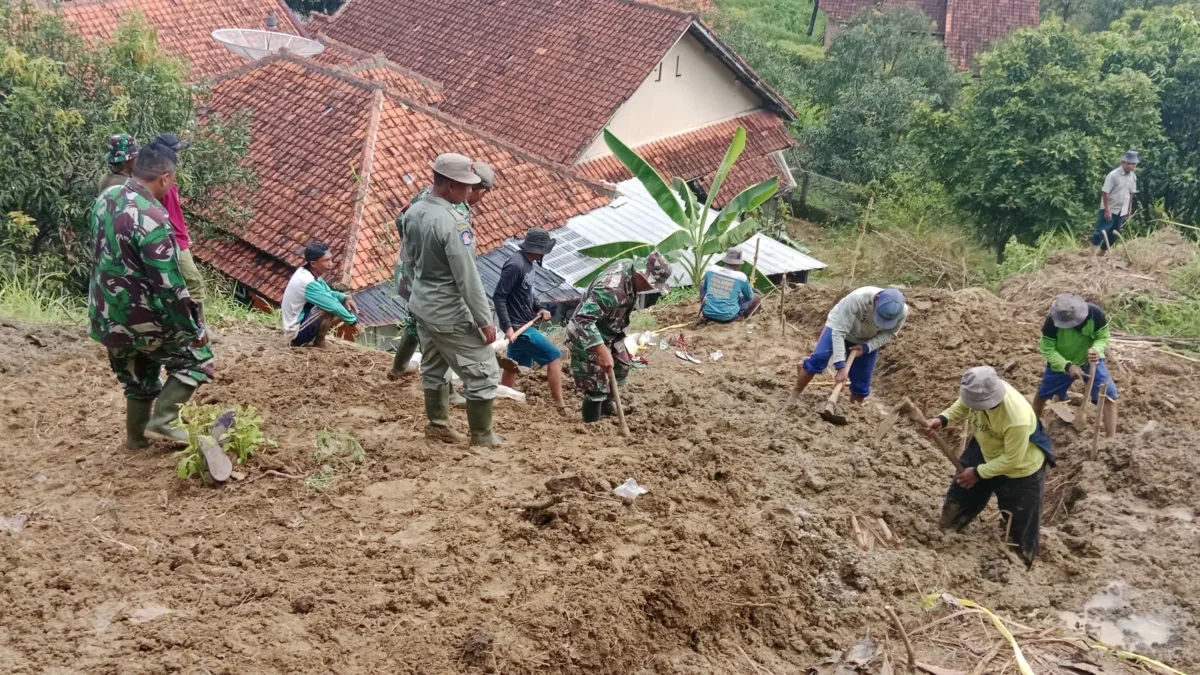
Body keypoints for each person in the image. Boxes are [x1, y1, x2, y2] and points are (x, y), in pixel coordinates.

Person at [88, 144, 214, 448]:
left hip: (105, 315)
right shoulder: (153, 216)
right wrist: (194, 329)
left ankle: (136, 439)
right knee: (197, 360)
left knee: (138, 378)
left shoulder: (105, 199)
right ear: (165, 178)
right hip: (144, 318)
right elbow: (169, 285)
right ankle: (164, 420)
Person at [403, 153, 503, 446]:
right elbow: (467, 278)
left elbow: (409, 262)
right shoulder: (453, 223)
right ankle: (482, 436)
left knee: (434, 366)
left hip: (422, 304)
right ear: (449, 186)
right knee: (483, 372)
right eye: (467, 186)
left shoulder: (414, 212)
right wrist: (485, 321)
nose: (471, 192)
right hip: (448, 310)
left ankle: (437, 425)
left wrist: (419, 294)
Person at [925, 366, 1055, 568]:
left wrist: (978, 472)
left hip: (1020, 466)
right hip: (987, 445)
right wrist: (943, 419)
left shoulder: (1016, 417)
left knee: (1021, 530)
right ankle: (947, 531)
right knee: (960, 496)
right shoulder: (978, 392)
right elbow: (964, 404)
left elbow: (1012, 459)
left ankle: (1019, 565)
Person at [389, 161, 496, 380]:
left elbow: (401, 220)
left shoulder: (428, 193)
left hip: (412, 266)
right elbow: (462, 268)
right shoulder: (455, 209)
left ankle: (400, 368)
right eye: (480, 194)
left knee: (419, 320)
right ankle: (402, 370)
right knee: (433, 327)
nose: (478, 199)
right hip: (429, 276)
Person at [565, 253, 672, 423]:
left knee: (621, 367)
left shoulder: (630, 268)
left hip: (610, 331)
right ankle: (591, 424)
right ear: (640, 274)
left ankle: (607, 406)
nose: (649, 288)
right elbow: (582, 320)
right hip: (585, 334)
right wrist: (600, 350)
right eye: (649, 284)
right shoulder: (611, 289)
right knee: (596, 384)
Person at [786, 286, 907, 406]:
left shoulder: (903, 311)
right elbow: (839, 332)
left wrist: (867, 347)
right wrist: (840, 366)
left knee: (862, 384)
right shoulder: (858, 298)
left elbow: (890, 333)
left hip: (867, 338)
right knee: (819, 358)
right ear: (877, 299)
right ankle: (794, 395)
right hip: (839, 326)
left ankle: (851, 412)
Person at [492, 227, 565, 410]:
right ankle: (560, 405)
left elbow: (528, 294)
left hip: (525, 322)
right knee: (554, 356)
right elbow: (499, 296)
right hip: (519, 327)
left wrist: (539, 308)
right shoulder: (515, 265)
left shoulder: (528, 264)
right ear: (538, 249)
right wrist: (508, 327)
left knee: (512, 366)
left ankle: (502, 400)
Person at [1032, 293, 1118, 437]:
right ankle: (1033, 428)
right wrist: (1067, 366)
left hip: (1091, 361)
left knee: (1108, 396)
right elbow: (1047, 349)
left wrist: (1096, 349)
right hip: (1061, 363)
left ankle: (1112, 440)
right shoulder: (1051, 323)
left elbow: (1102, 337)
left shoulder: (1095, 314)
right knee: (1042, 396)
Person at [146, 133, 206, 313]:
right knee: (194, 282)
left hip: (174, 237)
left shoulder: (157, 177)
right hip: (170, 239)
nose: (178, 155)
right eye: (175, 151)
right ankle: (198, 328)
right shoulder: (161, 182)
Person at [281, 242, 360, 348]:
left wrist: (345, 297)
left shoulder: (308, 273)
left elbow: (329, 293)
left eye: (331, 259)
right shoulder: (308, 282)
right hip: (295, 334)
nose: (331, 264)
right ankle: (319, 342)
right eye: (326, 260)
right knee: (329, 308)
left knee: (335, 303)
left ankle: (318, 339)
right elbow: (333, 305)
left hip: (300, 321)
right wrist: (354, 323)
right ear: (313, 263)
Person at [1091, 150, 1138, 253]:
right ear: (1123, 162)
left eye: (1133, 164)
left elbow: (1131, 194)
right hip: (1110, 208)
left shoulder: (1133, 177)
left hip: (1122, 210)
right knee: (1101, 232)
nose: (1130, 166)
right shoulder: (1113, 175)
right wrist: (1107, 210)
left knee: (1114, 234)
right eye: (1128, 163)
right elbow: (1105, 192)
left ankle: (1102, 252)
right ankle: (1091, 254)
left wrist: (1129, 210)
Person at [699, 247, 759, 323]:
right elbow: (749, 296)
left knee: (702, 283)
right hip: (728, 317)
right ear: (738, 264)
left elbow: (706, 287)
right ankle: (742, 317)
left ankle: (706, 306)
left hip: (707, 313)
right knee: (756, 298)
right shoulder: (741, 277)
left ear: (726, 260)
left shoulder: (711, 269)